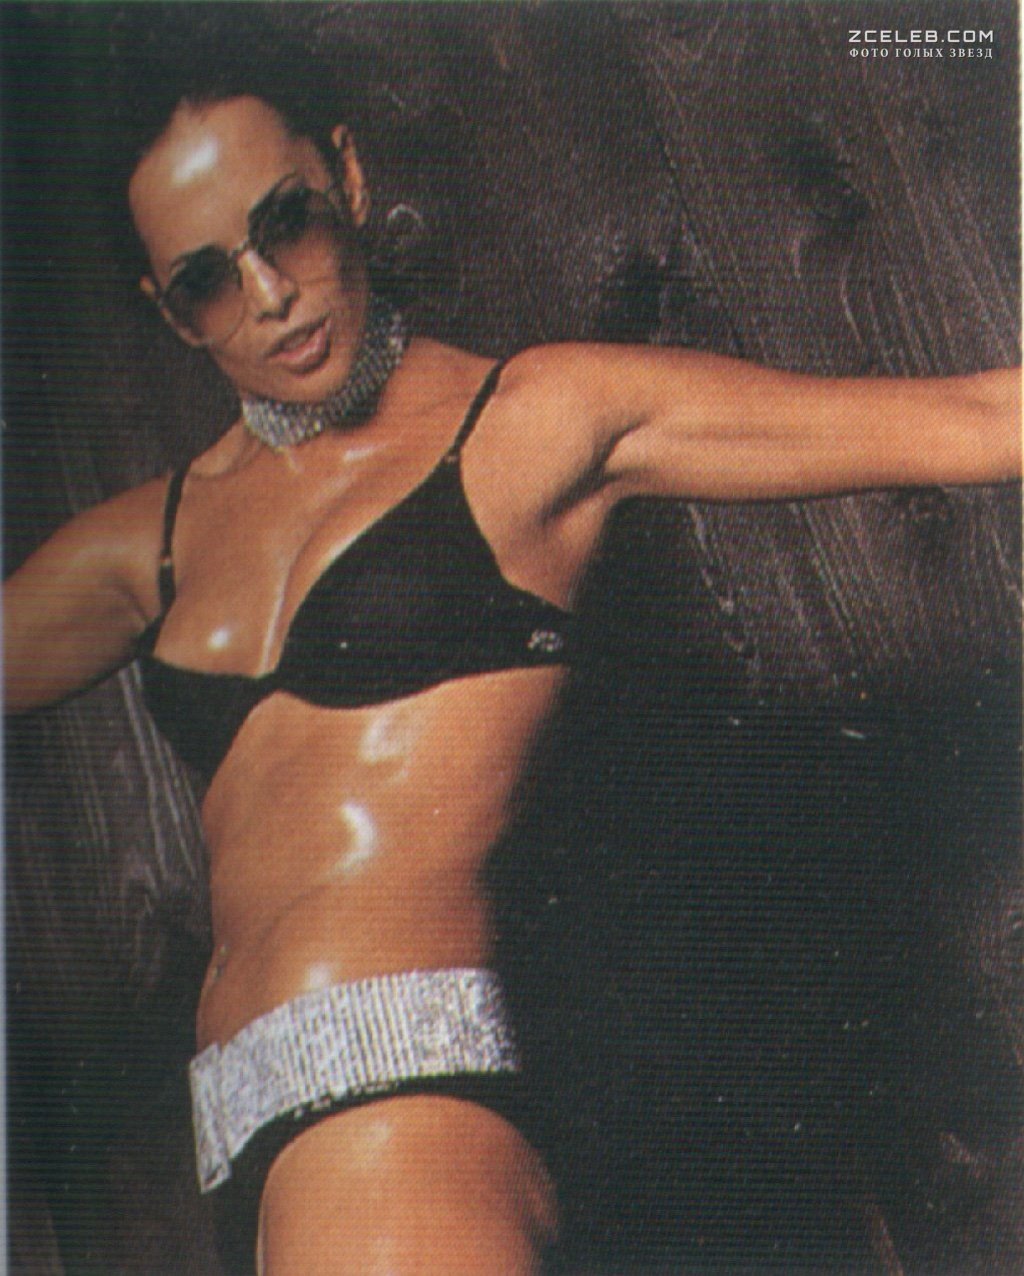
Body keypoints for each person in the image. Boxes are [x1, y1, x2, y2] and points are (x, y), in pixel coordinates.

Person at [4, 68, 1018, 1276]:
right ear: (173, 315)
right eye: (208, 280)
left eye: (286, 223)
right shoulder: (153, 545)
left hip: (408, 1115)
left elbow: (976, 416)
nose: (269, 295)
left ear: (349, 178)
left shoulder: (529, 423)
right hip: (248, 1151)